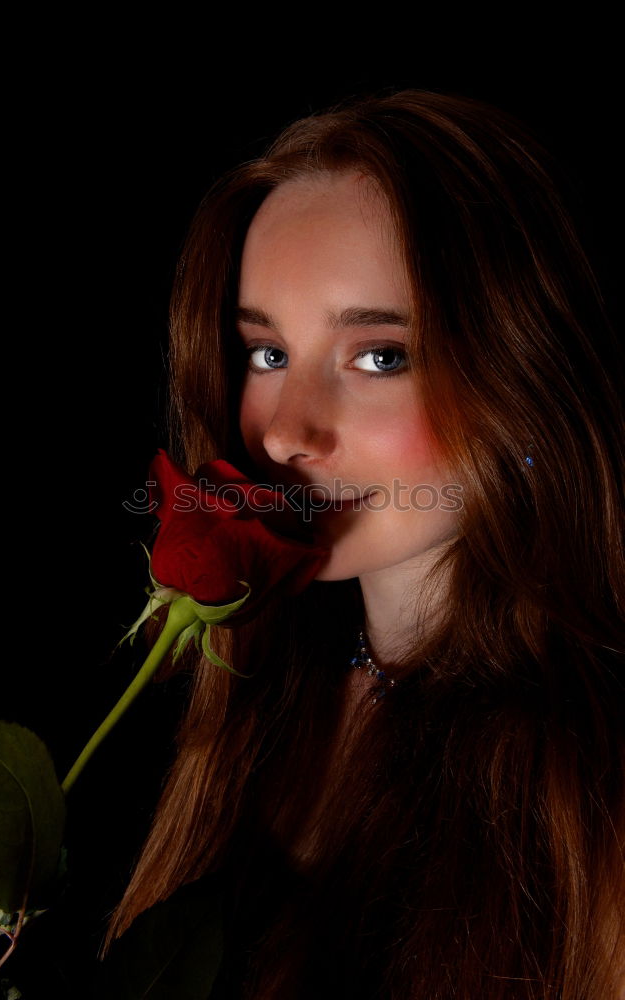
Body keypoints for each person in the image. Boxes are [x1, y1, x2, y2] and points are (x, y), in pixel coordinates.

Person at [102, 90, 624, 998]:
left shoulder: (597, 786)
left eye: (379, 355)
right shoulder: (259, 685)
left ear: (521, 372)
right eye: (267, 354)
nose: (284, 432)